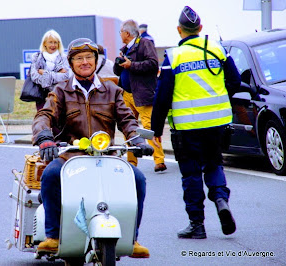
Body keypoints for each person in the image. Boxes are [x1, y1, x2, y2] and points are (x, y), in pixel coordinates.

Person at [32, 38, 153, 258]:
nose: (85, 62)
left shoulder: (112, 90)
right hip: (70, 155)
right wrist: (44, 138)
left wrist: (137, 140)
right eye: (79, 58)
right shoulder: (60, 90)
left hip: (106, 155)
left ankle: (132, 238)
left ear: (96, 61)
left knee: (137, 179)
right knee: (50, 175)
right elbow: (44, 115)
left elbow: (128, 120)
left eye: (89, 57)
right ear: (71, 63)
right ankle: (53, 236)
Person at [151, 6, 241, 239]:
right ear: (200, 29)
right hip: (218, 124)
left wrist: (155, 129)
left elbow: (162, 97)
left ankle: (197, 225)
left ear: (179, 30)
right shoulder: (217, 49)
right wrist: (217, 100)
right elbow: (235, 80)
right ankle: (221, 199)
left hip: (188, 128)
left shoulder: (173, 56)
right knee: (214, 165)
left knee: (191, 175)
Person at [113, 19, 167, 172]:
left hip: (142, 94)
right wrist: (120, 63)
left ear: (127, 33)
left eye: (121, 32)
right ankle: (132, 162)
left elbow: (152, 64)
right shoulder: (124, 50)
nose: (120, 35)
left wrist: (132, 65)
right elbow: (117, 72)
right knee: (127, 128)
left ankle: (159, 160)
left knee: (149, 127)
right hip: (127, 94)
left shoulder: (145, 44)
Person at [29, 29, 70, 110]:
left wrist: (45, 73)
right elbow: (34, 76)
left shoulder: (64, 58)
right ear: (44, 43)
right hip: (42, 96)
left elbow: (65, 76)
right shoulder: (36, 57)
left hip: (60, 95)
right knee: (43, 120)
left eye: (55, 42)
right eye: (50, 42)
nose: (53, 45)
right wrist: (56, 74)